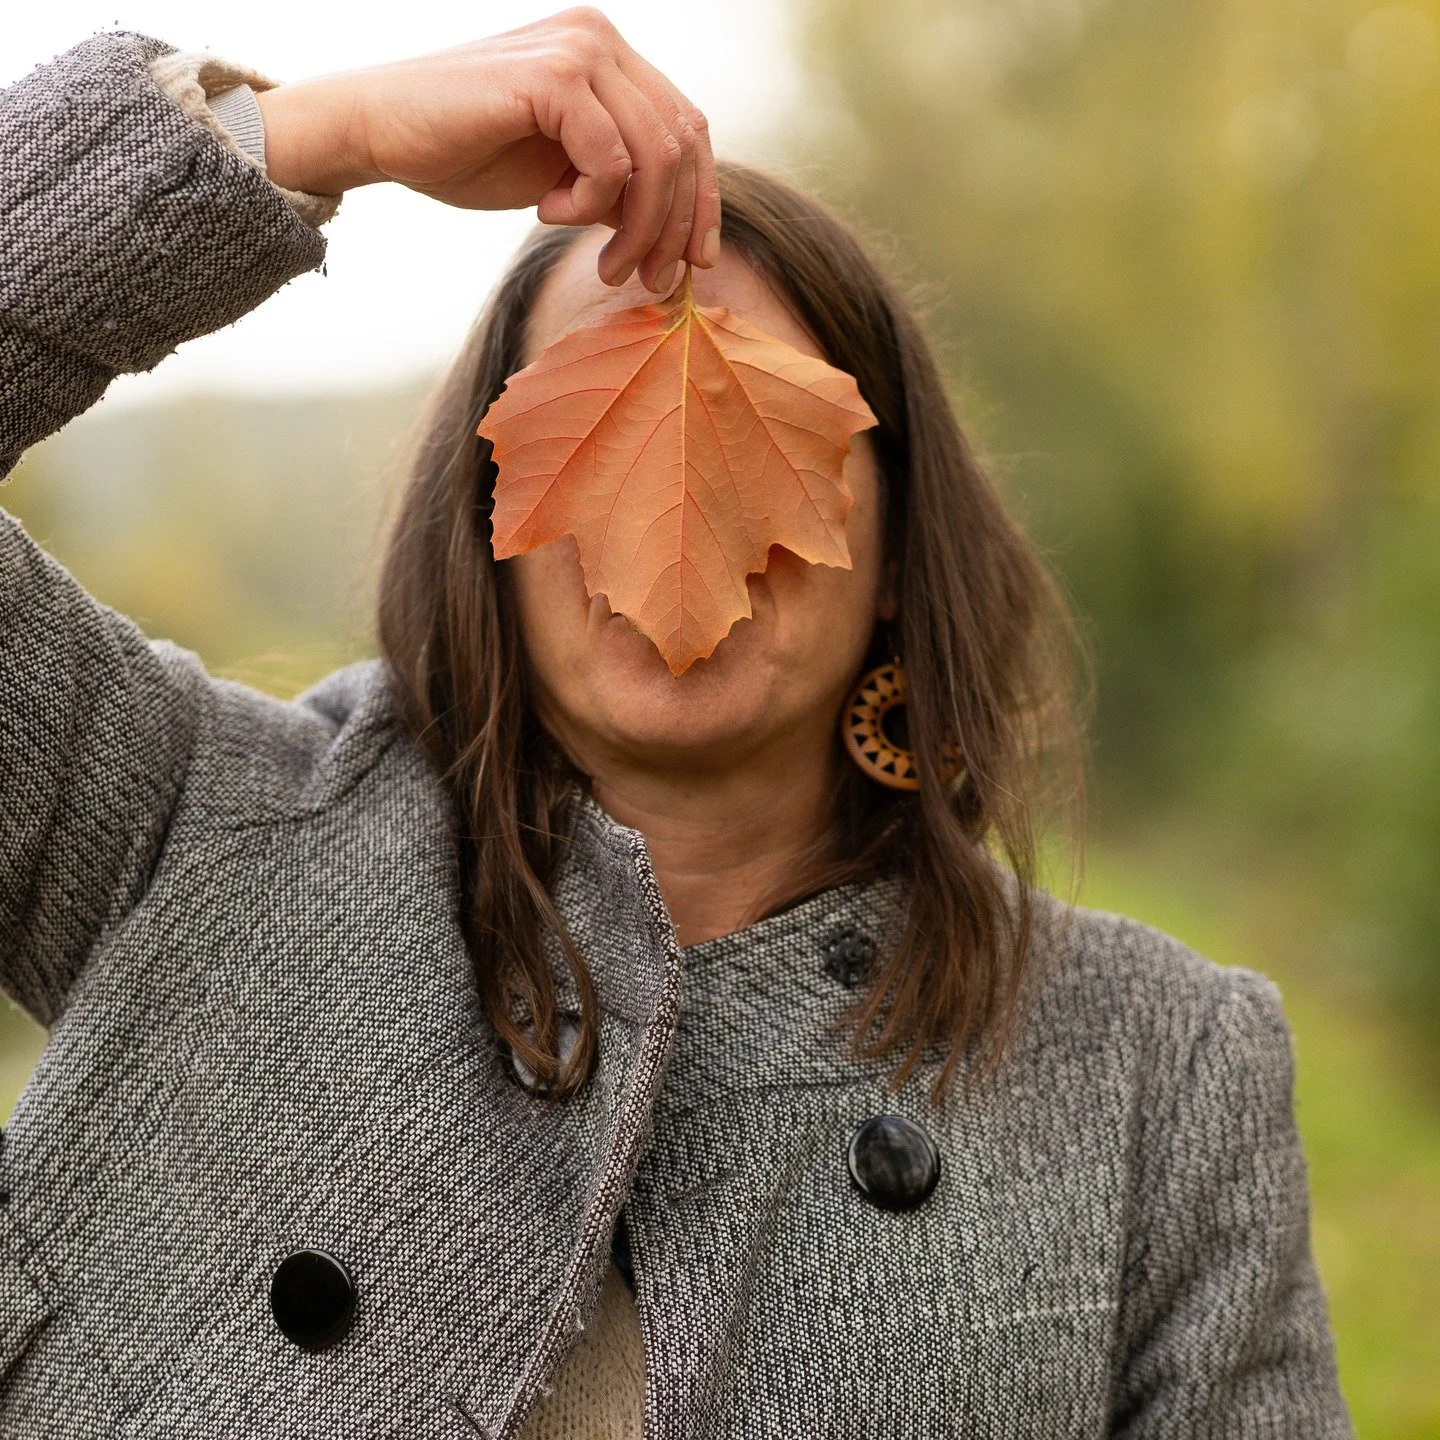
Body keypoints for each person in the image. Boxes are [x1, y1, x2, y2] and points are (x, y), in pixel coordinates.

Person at [0, 11, 1352, 1438]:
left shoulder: (1159, 1068)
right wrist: (305, 135)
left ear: (896, 551)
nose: (676, 506)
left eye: (767, 433)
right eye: (600, 417)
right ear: (492, 526)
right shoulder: (188, 824)